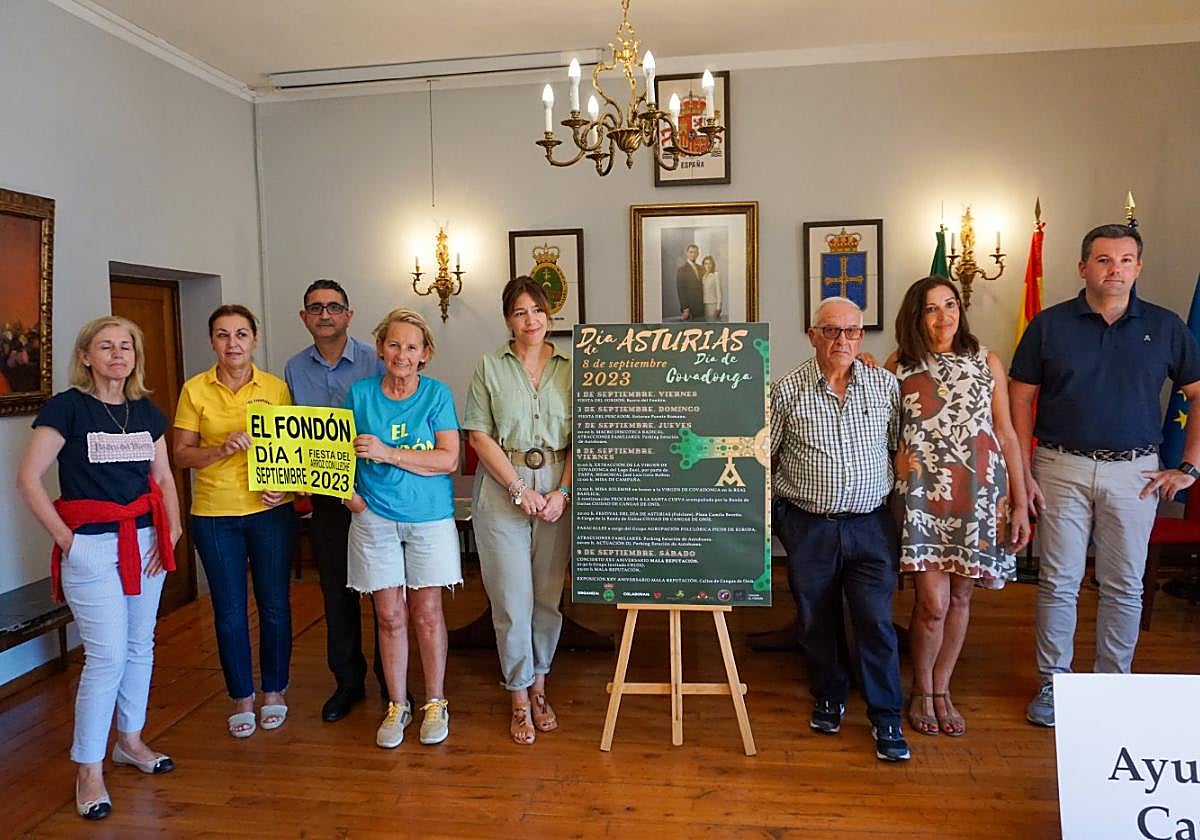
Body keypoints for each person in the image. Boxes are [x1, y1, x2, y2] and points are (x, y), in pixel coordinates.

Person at [1010, 223, 1200, 727]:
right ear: (1083, 267)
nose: (1113, 269)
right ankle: (1055, 683)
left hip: (1135, 473)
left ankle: (1113, 686)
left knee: (1124, 586)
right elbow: (1021, 397)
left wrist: (1189, 466)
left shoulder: (1165, 327)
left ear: (1138, 267)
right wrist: (1025, 470)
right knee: (1059, 582)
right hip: (1059, 466)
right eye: (1102, 260)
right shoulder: (1049, 326)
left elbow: (1198, 394)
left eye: (1124, 260)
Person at [16, 316, 183, 821]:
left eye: (125, 346)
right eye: (105, 346)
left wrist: (173, 529)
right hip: (90, 545)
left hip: (146, 541)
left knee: (139, 645)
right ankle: (88, 767)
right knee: (106, 656)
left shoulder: (146, 410)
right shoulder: (66, 408)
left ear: (135, 356)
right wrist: (67, 540)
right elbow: (29, 479)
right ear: (86, 355)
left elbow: (164, 476)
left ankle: (129, 741)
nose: (117, 354)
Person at [886, 277, 1031, 738]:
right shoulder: (899, 366)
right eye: (931, 309)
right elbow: (886, 436)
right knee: (932, 602)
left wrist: (1022, 499)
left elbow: (1007, 433)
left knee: (962, 597)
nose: (944, 317)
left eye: (950, 306)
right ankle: (921, 689)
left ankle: (942, 688)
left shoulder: (986, 360)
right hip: (924, 496)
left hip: (980, 494)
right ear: (916, 316)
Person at [770, 295, 910, 762]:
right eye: (831, 330)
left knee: (875, 620)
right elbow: (762, 461)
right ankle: (828, 695)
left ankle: (886, 716)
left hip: (870, 525)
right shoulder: (785, 391)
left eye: (852, 331)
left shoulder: (885, 386)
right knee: (817, 619)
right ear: (813, 336)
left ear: (862, 336)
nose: (842, 340)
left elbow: (897, 452)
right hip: (809, 526)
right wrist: (780, 520)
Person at [172, 304, 296, 739]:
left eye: (241, 334)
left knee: (275, 605)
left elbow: (290, 448)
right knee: (228, 611)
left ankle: (274, 692)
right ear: (212, 342)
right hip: (214, 514)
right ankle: (241, 697)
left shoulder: (276, 388)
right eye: (223, 335)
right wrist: (220, 449)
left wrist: (287, 487)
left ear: (254, 340)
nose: (233, 343)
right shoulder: (194, 390)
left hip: (269, 512)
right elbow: (181, 454)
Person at [344, 308, 461, 749]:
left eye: (412, 347)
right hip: (373, 515)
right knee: (389, 615)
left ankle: (435, 701)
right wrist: (347, 494)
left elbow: (447, 459)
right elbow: (340, 453)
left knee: (426, 614)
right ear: (379, 348)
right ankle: (397, 704)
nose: (402, 354)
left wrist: (390, 453)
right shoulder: (359, 394)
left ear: (425, 354)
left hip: (428, 517)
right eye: (394, 344)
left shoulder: (436, 395)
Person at [463, 276, 572, 746]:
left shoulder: (572, 369)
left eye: (538, 311)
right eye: (520, 312)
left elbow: (585, 438)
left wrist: (560, 494)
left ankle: (541, 685)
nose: (531, 320)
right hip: (502, 490)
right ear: (508, 318)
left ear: (550, 316)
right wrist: (516, 488)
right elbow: (478, 435)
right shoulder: (489, 366)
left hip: (556, 488)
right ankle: (518, 696)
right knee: (512, 600)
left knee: (547, 597)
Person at [284, 278, 394, 723]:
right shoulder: (293, 369)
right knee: (337, 591)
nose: (324, 314)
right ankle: (348, 682)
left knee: (386, 593)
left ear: (350, 315)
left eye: (333, 307)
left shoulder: (375, 361)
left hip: (375, 493)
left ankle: (394, 685)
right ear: (304, 317)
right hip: (329, 497)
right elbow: (289, 433)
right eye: (315, 308)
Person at [675, 243, 705, 321]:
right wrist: (685, 308)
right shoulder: (682, 270)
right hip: (690, 308)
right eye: (691, 252)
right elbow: (681, 290)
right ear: (687, 253)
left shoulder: (701, 268)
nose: (693, 254)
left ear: (698, 254)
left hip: (702, 306)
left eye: (695, 252)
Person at [701, 255, 723, 321]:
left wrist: (718, 307)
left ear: (712, 265)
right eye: (706, 263)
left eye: (710, 263)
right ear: (703, 265)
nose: (708, 266)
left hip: (713, 304)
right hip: (703, 304)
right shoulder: (703, 276)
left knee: (712, 323)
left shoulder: (716, 275)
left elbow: (719, 292)